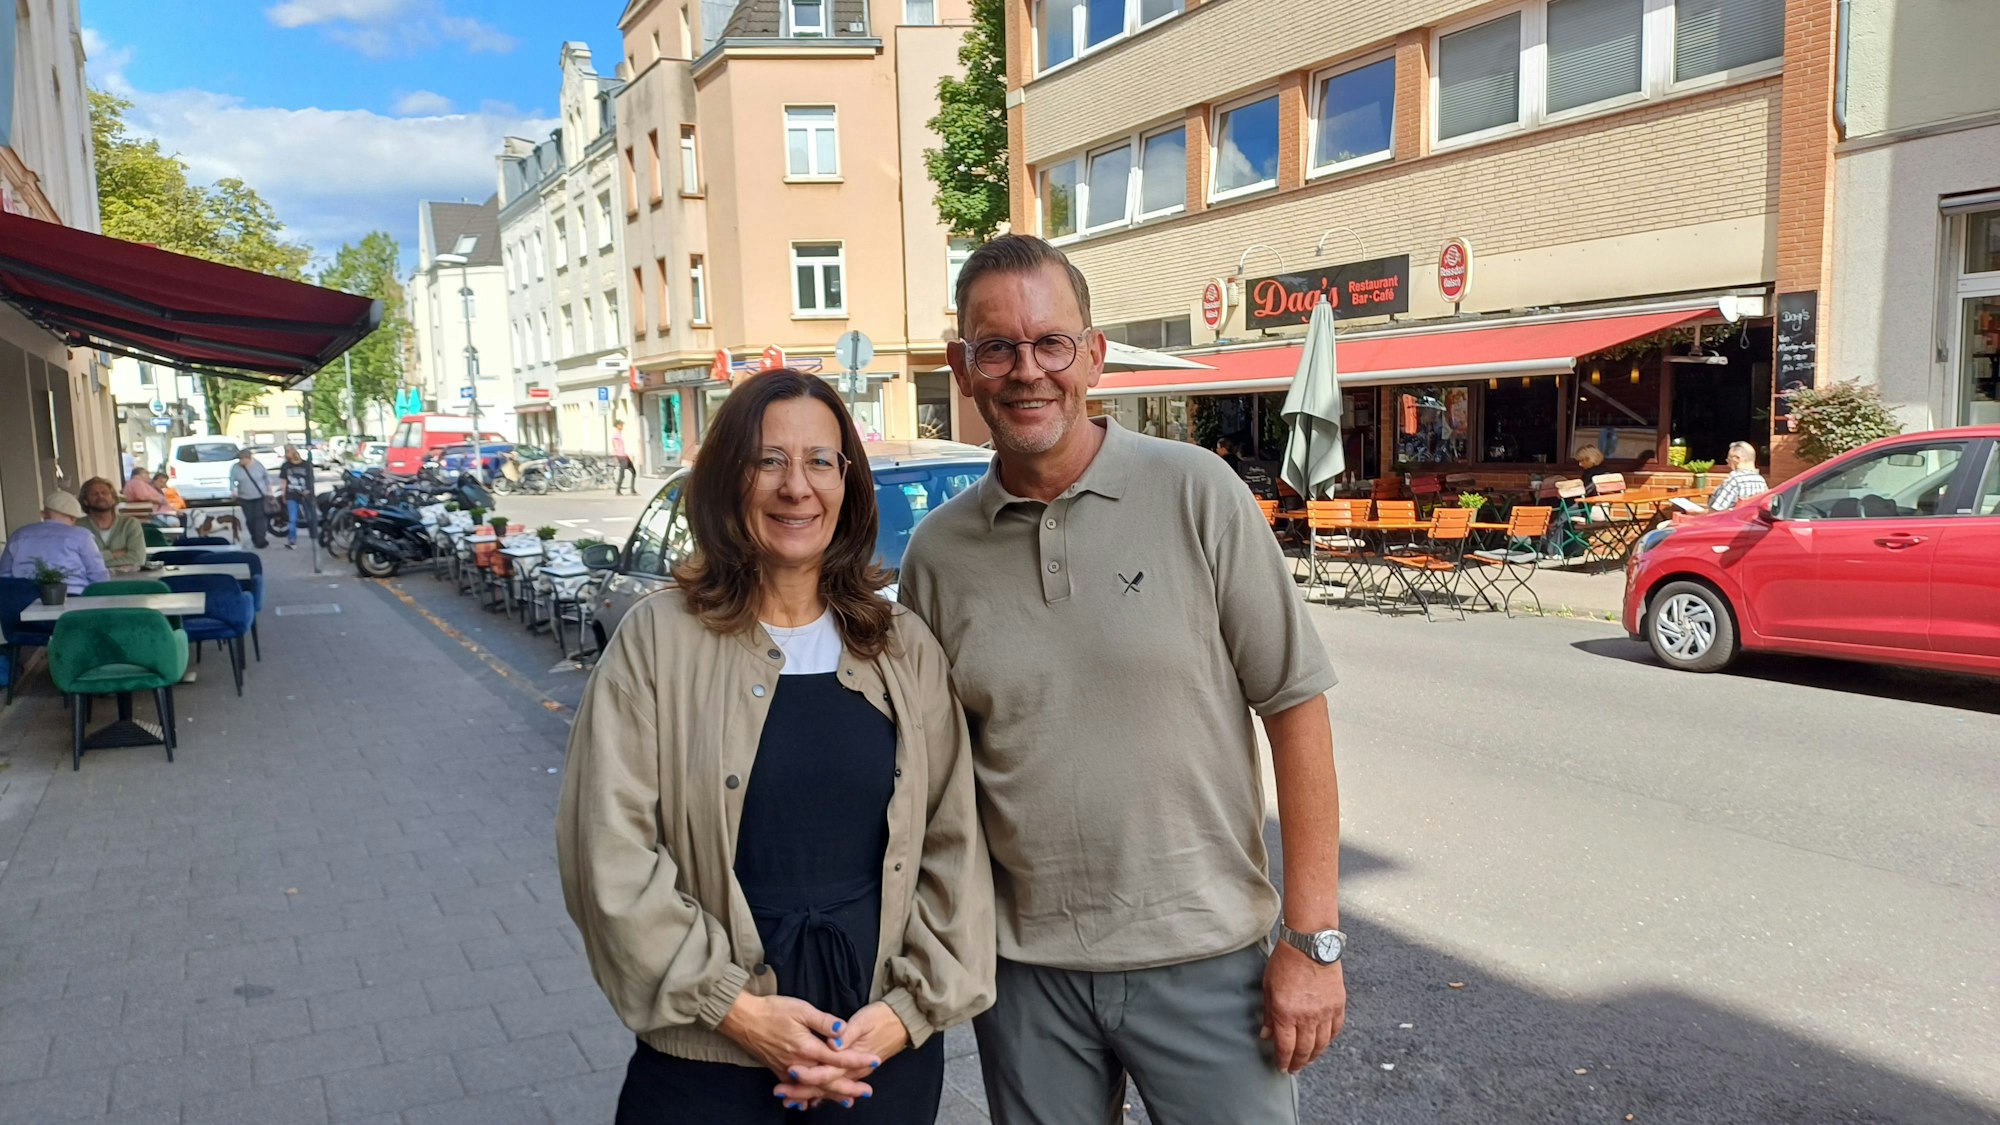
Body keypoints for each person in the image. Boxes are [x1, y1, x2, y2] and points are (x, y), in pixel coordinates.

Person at [897, 235, 1346, 1124]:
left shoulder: (1198, 492)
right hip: (1026, 977)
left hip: (1206, 959)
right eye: (998, 347)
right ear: (963, 368)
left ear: (1094, 355)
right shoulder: (938, 555)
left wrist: (1312, 938)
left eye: (1051, 342)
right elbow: (930, 777)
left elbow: (1295, 705)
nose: (1028, 370)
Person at [557, 369, 994, 1124]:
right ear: (730, 479)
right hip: (708, 1061)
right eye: (769, 460)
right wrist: (738, 1011)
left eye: (820, 460)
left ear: (847, 484)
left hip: (876, 1054)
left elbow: (954, 842)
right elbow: (608, 851)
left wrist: (904, 1015)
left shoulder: (901, 646)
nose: (798, 486)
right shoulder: (657, 642)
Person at [0, 492, 110, 593]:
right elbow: (97, 574)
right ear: (73, 518)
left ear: (44, 514)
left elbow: (4, 575)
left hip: (24, 598)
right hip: (72, 595)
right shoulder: (82, 536)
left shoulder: (18, 535)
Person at [77, 477, 149, 571]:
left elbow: (138, 559)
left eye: (105, 493)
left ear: (113, 499)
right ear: (85, 501)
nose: (100, 496)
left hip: (128, 579)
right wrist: (112, 554)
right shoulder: (77, 527)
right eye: (94, 494)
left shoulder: (130, 524)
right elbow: (78, 562)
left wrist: (95, 562)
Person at [228, 446, 274, 549]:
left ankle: (261, 539)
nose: (240, 461)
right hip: (244, 498)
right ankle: (255, 538)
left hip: (259, 496)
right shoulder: (235, 467)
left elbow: (266, 477)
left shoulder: (258, 465)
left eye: (242, 459)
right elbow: (231, 480)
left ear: (248, 458)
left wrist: (269, 491)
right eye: (239, 459)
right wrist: (233, 491)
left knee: (260, 518)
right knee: (250, 519)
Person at [1705, 440, 1769, 511]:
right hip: (1750, 518)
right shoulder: (1761, 481)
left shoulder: (1735, 479)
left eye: (1729, 460)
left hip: (1731, 517)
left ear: (1737, 459)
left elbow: (1716, 510)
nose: (1728, 465)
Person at [279, 444, 314, 550]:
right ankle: (292, 541)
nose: (288, 454)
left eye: (288, 452)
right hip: (291, 494)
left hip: (306, 494)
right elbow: (284, 481)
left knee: (310, 516)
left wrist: (309, 490)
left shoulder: (306, 464)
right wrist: (283, 494)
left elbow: (311, 479)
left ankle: (314, 537)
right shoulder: (285, 465)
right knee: (292, 519)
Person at [611, 419, 637, 495]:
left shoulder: (619, 434)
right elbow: (616, 446)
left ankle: (632, 490)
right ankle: (618, 491)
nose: (622, 426)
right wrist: (619, 455)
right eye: (621, 425)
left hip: (624, 456)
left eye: (622, 425)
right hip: (621, 456)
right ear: (617, 426)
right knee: (622, 474)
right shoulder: (616, 435)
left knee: (633, 472)